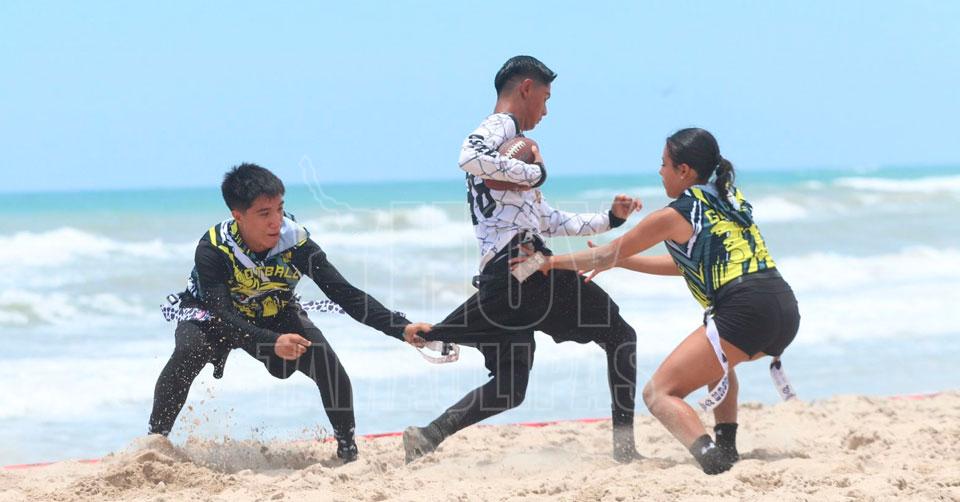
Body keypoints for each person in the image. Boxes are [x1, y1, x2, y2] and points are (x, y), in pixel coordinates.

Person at [515, 128, 800, 474]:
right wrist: (623, 261)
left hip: (746, 311)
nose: (660, 171)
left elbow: (604, 254)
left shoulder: (676, 214)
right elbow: (685, 266)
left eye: (664, 164)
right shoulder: (727, 199)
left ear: (684, 171)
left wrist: (545, 262)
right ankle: (727, 448)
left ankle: (714, 462)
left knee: (658, 394)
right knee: (718, 366)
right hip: (783, 309)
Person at [402, 55, 644, 463]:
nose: (546, 112)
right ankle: (624, 449)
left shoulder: (510, 156)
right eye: (545, 99)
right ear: (526, 89)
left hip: (501, 279)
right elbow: (468, 154)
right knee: (621, 336)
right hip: (525, 269)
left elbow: (547, 219)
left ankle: (427, 435)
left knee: (510, 389)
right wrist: (536, 173)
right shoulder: (503, 127)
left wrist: (610, 219)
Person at [149, 163, 430, 463]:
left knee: (325, 361)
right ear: (238, 216)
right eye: (264, 213)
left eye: (280, 209)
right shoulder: (213, 248)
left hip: (273, 310)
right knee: (189, 350)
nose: (276, 221)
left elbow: (343, 292)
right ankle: (154, 441)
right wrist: (272, 341)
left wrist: (401, 328)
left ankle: (348, 450)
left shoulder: (295, 242)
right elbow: (223, 317)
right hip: (211, 316)